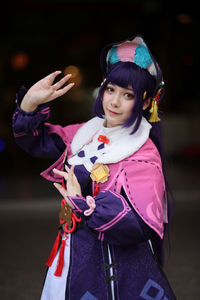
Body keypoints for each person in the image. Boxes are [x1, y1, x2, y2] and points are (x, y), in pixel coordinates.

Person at [12, 35, 176, 300]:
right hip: (72, 253)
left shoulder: (143, 152)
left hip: (115, 269)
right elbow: (35, 140)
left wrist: (84, 203)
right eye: (110, 89)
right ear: (102, 86)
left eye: (128, 95)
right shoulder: (84, 133)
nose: (113, 102)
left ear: (146, 102)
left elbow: (139, 225)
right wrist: (30, 101)